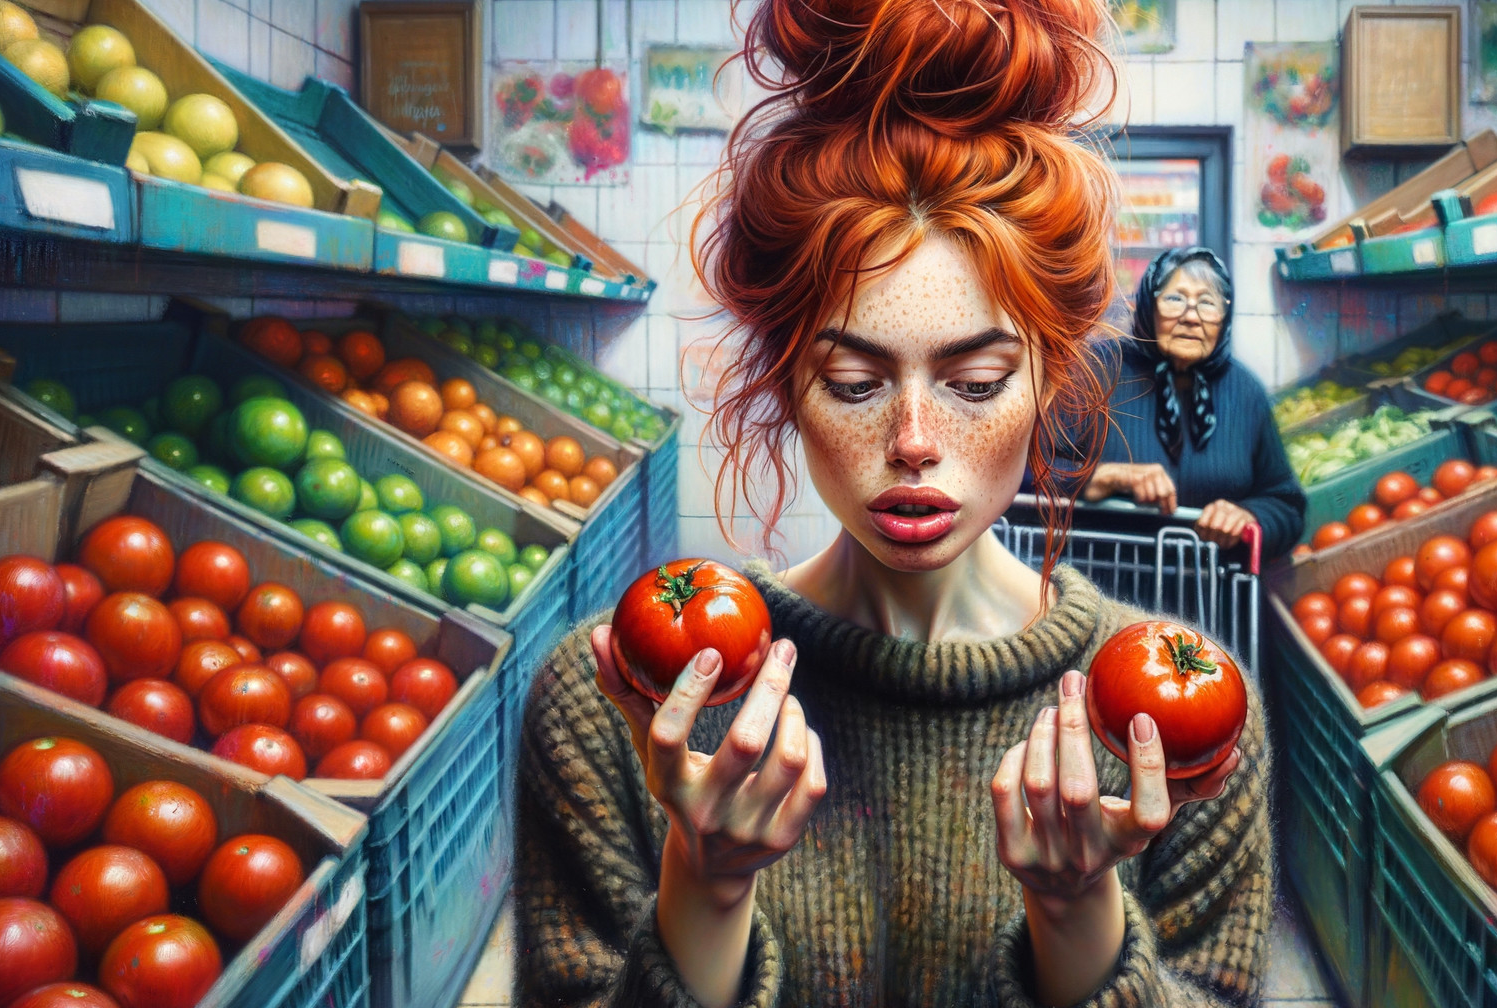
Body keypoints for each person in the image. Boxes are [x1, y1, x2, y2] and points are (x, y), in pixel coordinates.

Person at [514, 3, 1274, 1007]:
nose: (913, 441)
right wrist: (702, 886)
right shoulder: (625, 706)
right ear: (786, 383)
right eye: (854, 381)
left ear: (1049, 382)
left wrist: (1079, 913)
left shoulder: (1176, 735)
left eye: (974, 383)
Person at [1044, 247, 1305, 561]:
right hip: (1103, 583)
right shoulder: (1098, 371)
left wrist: (1249, 516)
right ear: (1148, 307)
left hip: (1209, 593)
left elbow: (1286, 505)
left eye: (1208, 303)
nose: (1191, 317)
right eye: (1174, 299)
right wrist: (1106, 477)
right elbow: (1032, 474)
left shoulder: (1245, 391)